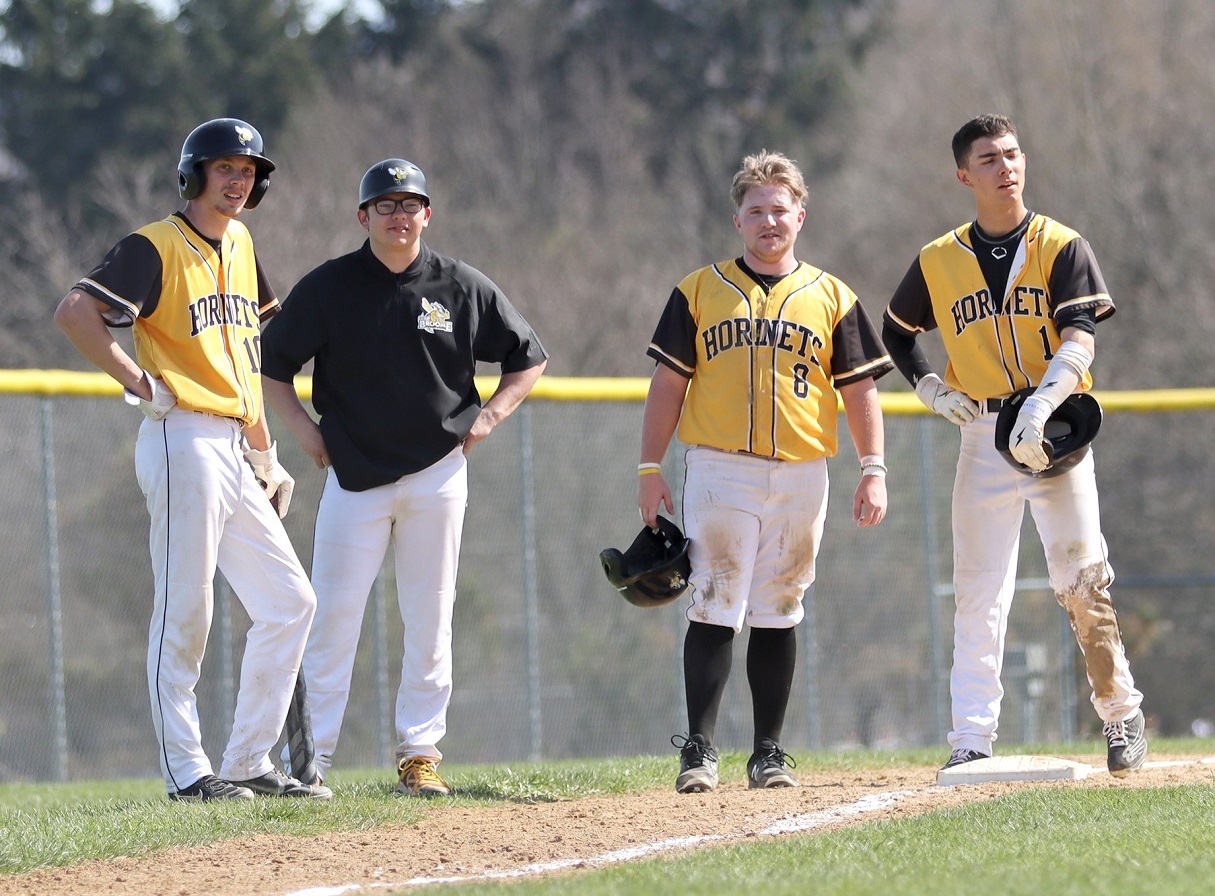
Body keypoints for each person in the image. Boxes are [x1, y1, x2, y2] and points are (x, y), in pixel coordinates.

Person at [53, 118, 330, 801]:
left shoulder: (240, 242)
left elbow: (247, 353)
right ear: (193, 174)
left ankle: (247, 761)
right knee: (187, 609)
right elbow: (74, 312)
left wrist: (267, 455)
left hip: (234, 442)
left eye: (249, 171)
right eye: (225, 168)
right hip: (181, 437)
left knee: (290, 601)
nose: (238, 181)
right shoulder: (153, 245)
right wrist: (138, 380)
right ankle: (186, 772)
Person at [261, 158, 548, 797]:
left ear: (427, 214)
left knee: (430, 614)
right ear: (363, 217)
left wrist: (489, 419)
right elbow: (272, 364)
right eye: (384, 205)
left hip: (437, 472)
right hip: (354, 475)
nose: (398, 214)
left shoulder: (459, 286)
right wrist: (304, 432)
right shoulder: (331, 286)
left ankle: (420, 755)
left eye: (409, 203)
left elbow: (529, 357)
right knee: (331, 616)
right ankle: (311, 763)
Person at [881, 113, 1147, 776]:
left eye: (1011, 153)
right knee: (977, 589)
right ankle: (971, 736)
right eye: (989, 158)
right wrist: (929, 388)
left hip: (1054, 426)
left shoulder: (1060, 244)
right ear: (963, 175)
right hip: (982, 434)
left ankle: (1119, 716)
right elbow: (895, 332)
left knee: (1082, 578)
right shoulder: (938, 259)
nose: (1006, 167)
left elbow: (1080, 334)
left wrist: (1042, 401)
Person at [639, 149, 892, 794]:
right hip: (721, 465)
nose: (769, 221)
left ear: (801, 216)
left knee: (780, 605)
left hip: (804, 469)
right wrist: (649, 467)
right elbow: (667, 383)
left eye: (780, 209)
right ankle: (699, 748)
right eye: (757, 211)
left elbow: (861, 391)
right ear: (737, 220)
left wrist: (874, 468)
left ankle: (769, 751)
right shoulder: (699, 291)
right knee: (717, 598)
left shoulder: (833, 297)